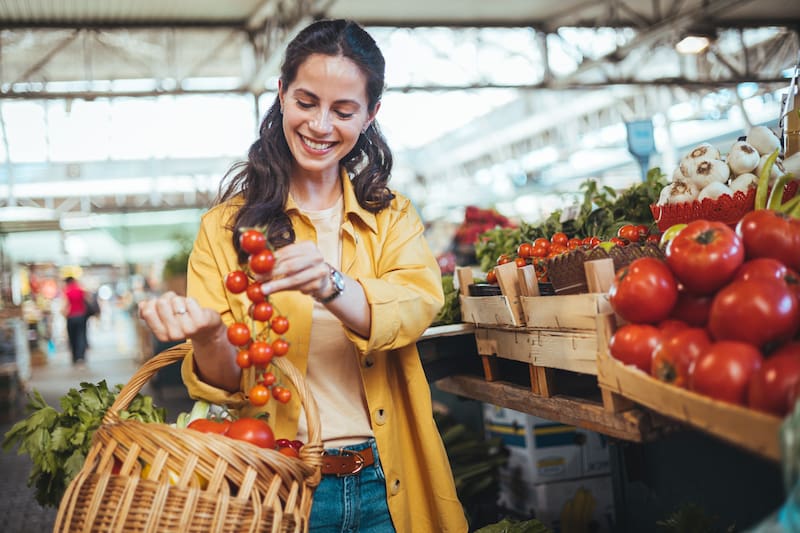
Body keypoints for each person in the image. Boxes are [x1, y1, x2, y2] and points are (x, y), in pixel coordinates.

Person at [138, 18, 468, 533]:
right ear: (281, 94)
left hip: (389, 478)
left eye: (343, 111)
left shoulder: (392, 217)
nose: (319, 126)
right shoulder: (226, 228)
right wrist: (207, 334)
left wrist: (331, 286)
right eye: (306, 101)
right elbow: (228, 381)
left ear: (370, 114)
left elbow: (417, 304)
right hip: (275, 481)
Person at [62, 276, 88, 366]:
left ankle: (75, 356)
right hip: (81, 315)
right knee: (81, 336)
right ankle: (81, 356)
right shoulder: (81, 290)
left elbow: (65, 305)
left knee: (72, 337)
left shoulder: (67, 292)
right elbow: (86, 301)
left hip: (71, 317)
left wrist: (64, 314)